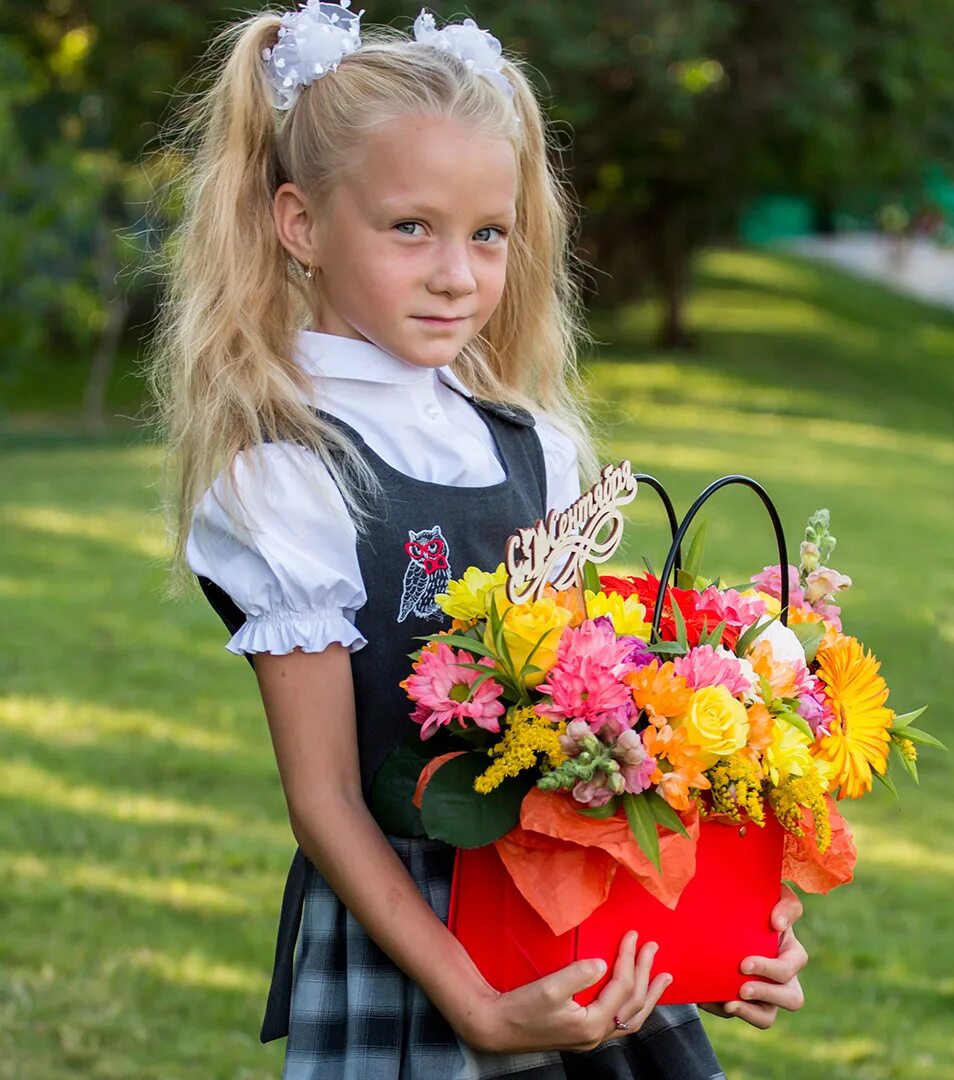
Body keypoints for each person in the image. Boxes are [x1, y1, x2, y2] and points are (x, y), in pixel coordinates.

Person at [148, 4, 808, 1077]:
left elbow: (597, 734)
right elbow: (323, 800)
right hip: (421, 953)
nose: (458, 273)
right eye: (411, 228)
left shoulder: (532, 447)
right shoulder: (287, 480)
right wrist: (479, 1005)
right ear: (300, 224)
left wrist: (718, 937)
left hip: (572, 925)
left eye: (487, 234)